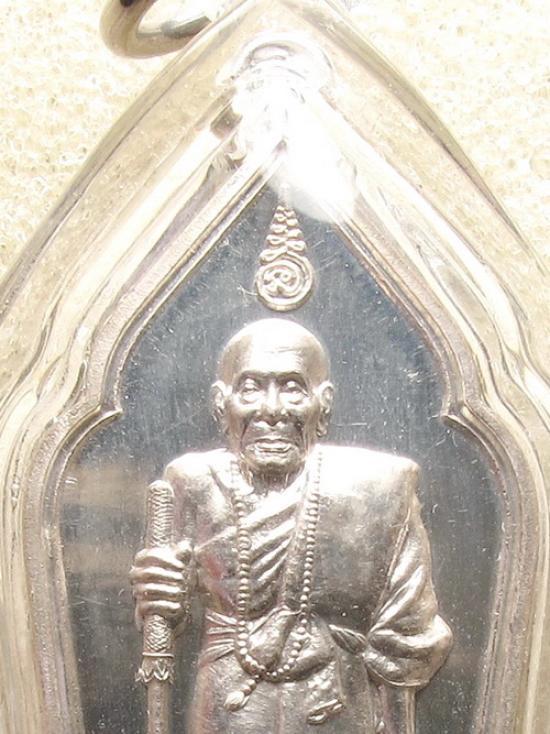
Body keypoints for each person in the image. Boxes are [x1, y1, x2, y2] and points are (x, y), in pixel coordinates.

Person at [131, 319, 452, 734]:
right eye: (250, 388)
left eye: (292, 388)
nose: (272, 409)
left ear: (324, 403)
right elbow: (167, 613)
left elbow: (408, 636)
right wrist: (161, 597)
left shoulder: (380, 490)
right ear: (221, 404)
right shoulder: (192, 484)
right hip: (227, 708)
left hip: (337, 707)